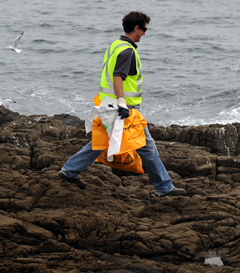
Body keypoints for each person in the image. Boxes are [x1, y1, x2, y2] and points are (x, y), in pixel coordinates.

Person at [58, 11, 186, 197]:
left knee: (101, 142)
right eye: (144, 29)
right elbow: (118, 76)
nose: (144, 33)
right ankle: (164, 188)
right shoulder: (127, 51)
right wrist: (122, 103)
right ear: (136, 28)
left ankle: (69, 171)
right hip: (123, 109)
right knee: (147, 147)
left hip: (108, 104)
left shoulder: (116, 45)